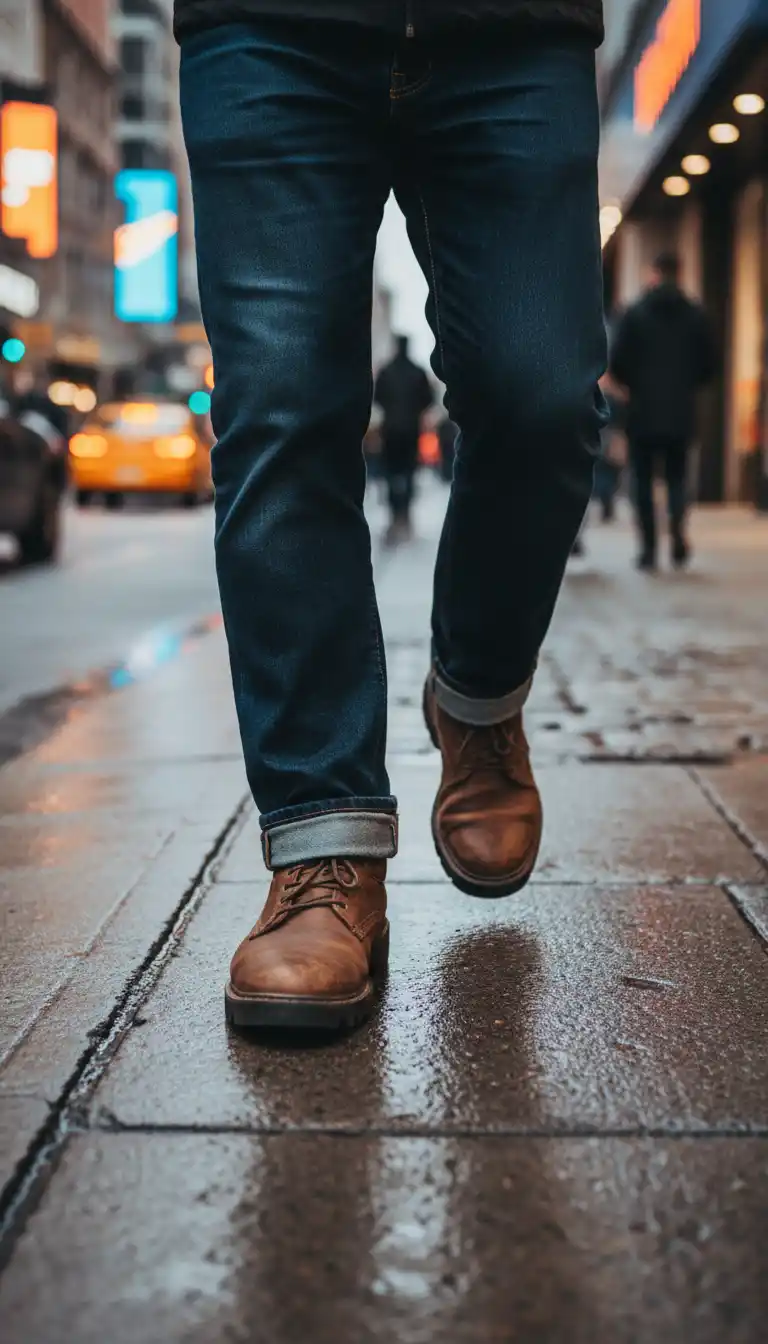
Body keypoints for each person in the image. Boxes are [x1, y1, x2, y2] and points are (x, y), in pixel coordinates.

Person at [176, 2, 607, 1031]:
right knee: (279, 406)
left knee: (542, 393)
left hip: (514, 22)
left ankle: (478, 698)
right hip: (268, 22)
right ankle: (325, 847)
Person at [610, 253, 716, 570]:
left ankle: (649, 548)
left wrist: (635, 385)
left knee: (642, 480)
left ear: (654, 273)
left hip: (642, 410)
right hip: (681, 410)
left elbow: (618, 362)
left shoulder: (635, 313)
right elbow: (709, 366)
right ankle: (678, 532)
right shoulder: (696, 315)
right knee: (678, 477)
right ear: (679, 273)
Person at [374, 335, 434, 543]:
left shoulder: (386, 371)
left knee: (391, 473)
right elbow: (428, 399)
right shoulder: (418, 373)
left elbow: (377, 397)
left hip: (390, 430)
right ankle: (405, 517)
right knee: (408, 473)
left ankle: (394, 517)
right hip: (411, 431)